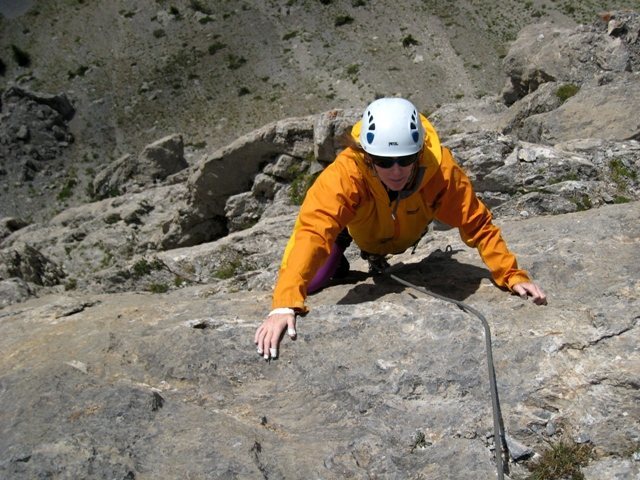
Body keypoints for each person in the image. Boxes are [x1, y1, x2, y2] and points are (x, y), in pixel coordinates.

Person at [255, 97, 547, 360]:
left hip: (406, 230)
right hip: (356, 230)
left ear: (419, 152)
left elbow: (478, 223)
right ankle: (339, 256)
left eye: (406, 159)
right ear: (367, 155)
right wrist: (284, 303)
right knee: (313, 280)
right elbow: (313, 230)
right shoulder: (346, 174)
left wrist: (510, 274)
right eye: (384, 161)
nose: (396, 171)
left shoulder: (440, 171)